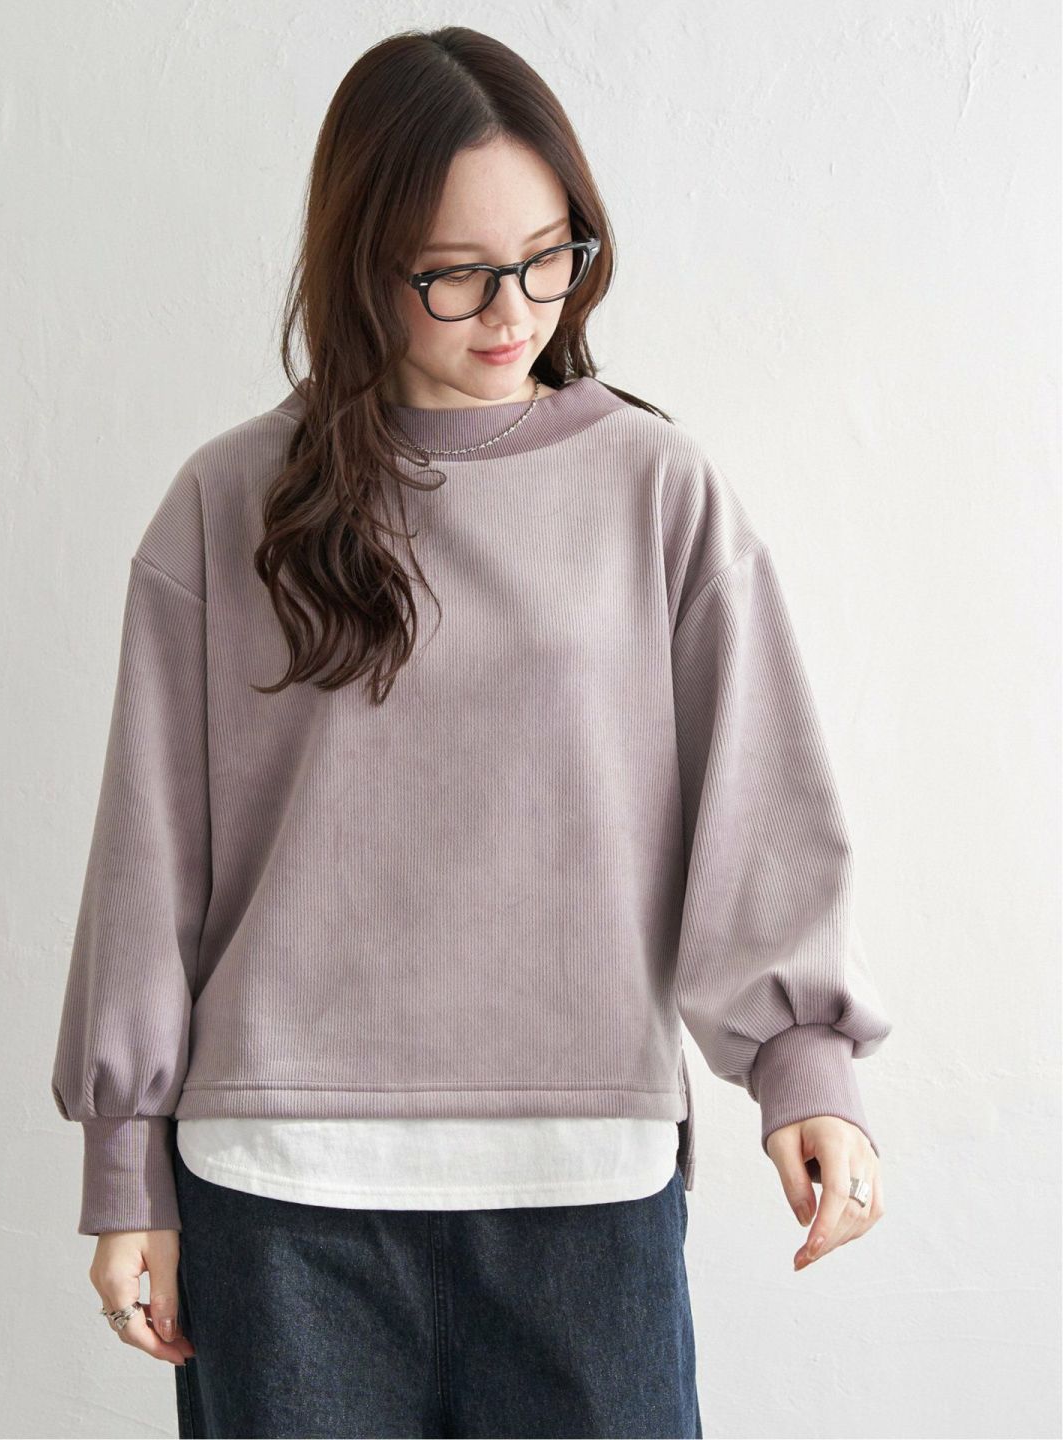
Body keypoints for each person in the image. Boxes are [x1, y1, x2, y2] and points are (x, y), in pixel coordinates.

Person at [50, 25, 893, 1440]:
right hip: (282, 1204)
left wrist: (805, 1069)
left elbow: (755, 800)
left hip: (585, 1192)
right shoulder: (229, 503)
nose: (514, 312)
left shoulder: (656, 489)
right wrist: (125, 1166)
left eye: (550, 257)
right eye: (456, 274)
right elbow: (149, 855)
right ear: (361, 265)